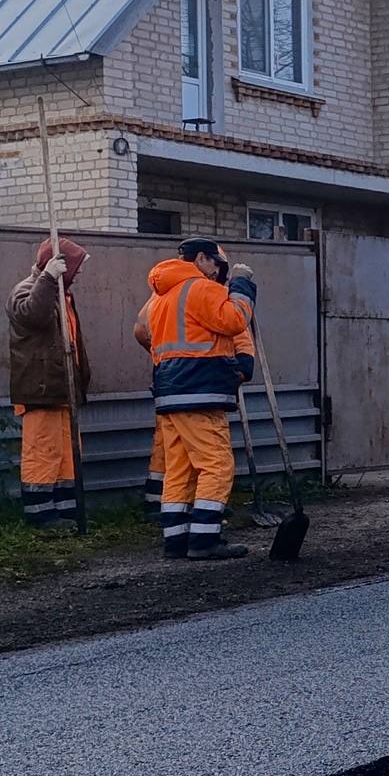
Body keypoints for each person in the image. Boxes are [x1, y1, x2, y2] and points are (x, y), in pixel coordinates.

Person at [137, 236, 259, 560]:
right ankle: (204, 539)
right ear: (202, 258)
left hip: (169, 394)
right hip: (200, 392)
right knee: (216, 465)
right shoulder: (200, 288)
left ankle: (176, 540)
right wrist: (242, 285)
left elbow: (146, 334)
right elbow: (234, 320)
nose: (218, 272)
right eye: (217, 265)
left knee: (179, 470)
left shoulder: (162, 298)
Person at [7, 238, 89, 527]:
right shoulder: (26, 290)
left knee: (66, 454)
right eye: (76, 266)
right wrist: (48, 278)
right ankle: (40, 514)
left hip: (61, 390)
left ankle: (67, 511)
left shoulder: (62, 296)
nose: (79, 272)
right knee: (42, 452)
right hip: (41, 389)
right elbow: (33, 316)